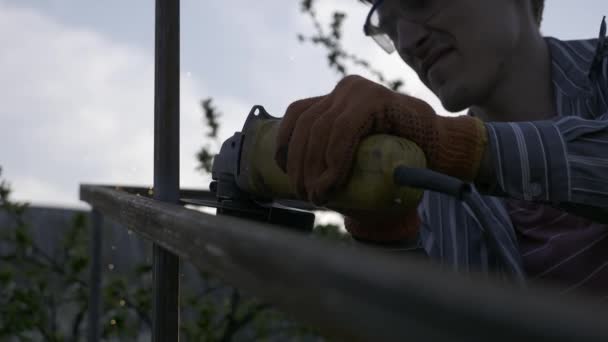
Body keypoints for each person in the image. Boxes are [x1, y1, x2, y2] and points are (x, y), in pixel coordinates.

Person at [274, 0, 608, 295]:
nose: (407, 42)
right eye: (388, 28)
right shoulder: (428, 187)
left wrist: (463, 148)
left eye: (420, 1)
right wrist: (386, 239)